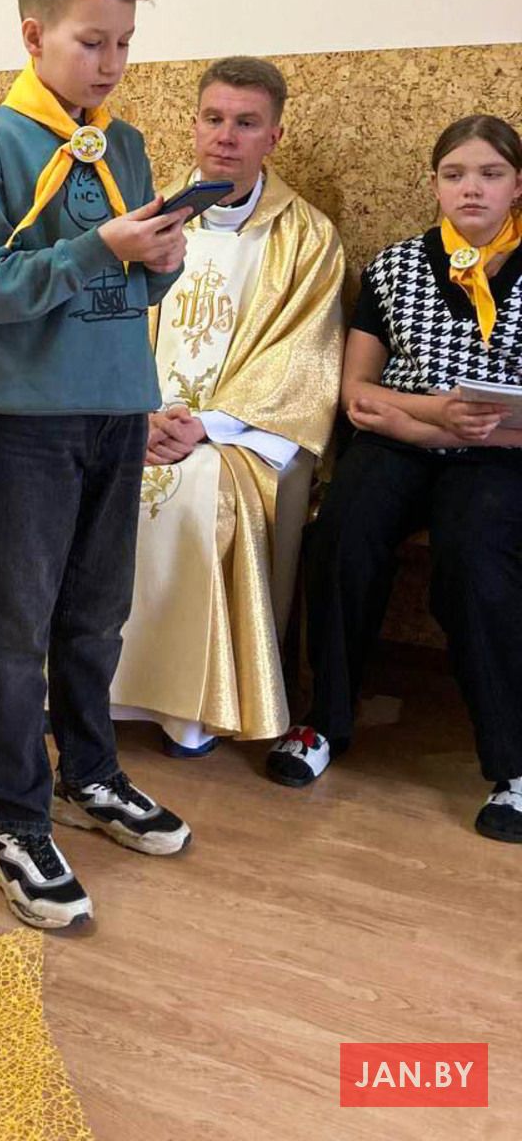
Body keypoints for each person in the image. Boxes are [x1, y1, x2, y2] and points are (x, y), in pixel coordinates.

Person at [0, 0, 193, 931]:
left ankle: (88, 772)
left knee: (96, 614)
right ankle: (12, 822)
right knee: (17, 635)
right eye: (93, 41)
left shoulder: (122, 144)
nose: (112, 63)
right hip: (30, 421)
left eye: (125, 42)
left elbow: (131, 284)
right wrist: (103, 246)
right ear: (34, 34)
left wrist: (162, 261)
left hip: (116, 405)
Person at [267, 115, 522, 845]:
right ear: (434, 184)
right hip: (402, 440)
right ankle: (324, 720)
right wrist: (436, 419)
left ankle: (512, 762)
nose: (471, 189)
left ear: (517, 185)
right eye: (454, 174)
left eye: (490, 174)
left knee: (474, 556)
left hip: (502, 452)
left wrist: (471, 430)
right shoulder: (395, 267)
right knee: (342, 532)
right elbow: (358, 394)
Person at [109, 58, 345, 754]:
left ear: (273, 136)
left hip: (243, 433)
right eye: (213, 118)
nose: (226, 136)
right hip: (138, 417)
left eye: (246, 123)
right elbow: (109, 323)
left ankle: (188, 710)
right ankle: (86, 689)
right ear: (193, 125)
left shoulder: (307, 238)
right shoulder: (146, 219)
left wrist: (203, 428)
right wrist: (138, 415)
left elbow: (300, 361)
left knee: (196, 495)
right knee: (87, 476)